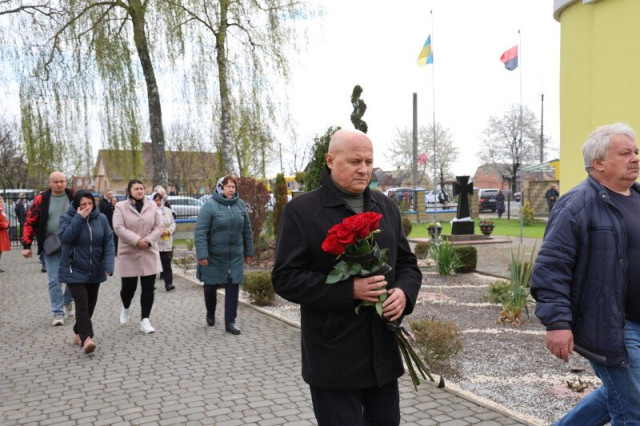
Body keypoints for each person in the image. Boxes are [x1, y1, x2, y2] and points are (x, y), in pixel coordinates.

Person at [272, 129, 422, 425]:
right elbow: (285, 278)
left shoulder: (385, 206)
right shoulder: (302, 212)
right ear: (330, 160)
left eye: (369, 161)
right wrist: (349, 290)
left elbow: (407, 263)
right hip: (333, 358)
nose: (364, 169)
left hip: (382, 355)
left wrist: (404, 293)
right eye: (355, 161)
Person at [531, 123, 640, 425]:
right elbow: (552, 267)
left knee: (619, 393)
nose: (635, 158)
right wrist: (557, 323)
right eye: (625, 153)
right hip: (612, 326)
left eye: (636, 152)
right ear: (598, 162)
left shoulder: (638, 197)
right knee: (633, 411)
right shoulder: (577, 205)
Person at [58, 190, 115, 354]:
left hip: (94, 269)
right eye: (83, 204)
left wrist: (108, 265)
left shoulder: (101, 218)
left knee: (90, 305)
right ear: (76, 205)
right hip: (73, 269)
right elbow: (66, 238)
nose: (87, 207)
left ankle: (78, 332)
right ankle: (87, 339)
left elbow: (108, 242)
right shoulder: (66, 218)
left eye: (90, 203)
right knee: (82, 304)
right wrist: (79, 218)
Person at [194, 175, 253, 334]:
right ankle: (210, 312)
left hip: (235, 255)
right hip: (214, 255)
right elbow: (200, 232)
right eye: (228, 186)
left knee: (233, 287)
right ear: (221, 187)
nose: (231, 189)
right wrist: (202, 255)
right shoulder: (209, 206)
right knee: (210, 286)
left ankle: (230, 322)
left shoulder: (240, 205)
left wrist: (248, 251)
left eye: (233, 187)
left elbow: (247, 230)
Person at [21, 172, 75, 326]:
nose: (59, 184)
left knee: (74, 277)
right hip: (50, 244)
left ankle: (67, 300)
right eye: (55, 181)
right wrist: (26, 245)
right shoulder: (41, 199)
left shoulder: (73, 196)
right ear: (49, 183)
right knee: (54, 279)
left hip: (72, 243)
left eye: (62, 181)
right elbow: (30, 221)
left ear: (66, 182)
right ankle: (58, 312)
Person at [113, 179, 163, 334]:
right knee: (128, 288)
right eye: (136, 189)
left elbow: (159, 226)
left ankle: (145, 320)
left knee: (149, 287)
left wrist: (147, 240)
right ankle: (126, 306)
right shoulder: (120, 206)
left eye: (141, 188)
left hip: (148, 251)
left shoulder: (152, 205)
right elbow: (118, 228)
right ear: (129, 191)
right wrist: (137, 240)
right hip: (129, 252)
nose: (139, 191)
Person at [152, 192, 176, 292]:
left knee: (167, 264)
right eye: (156, 200)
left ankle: (168, 283)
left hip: (166, 241)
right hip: (155, 241)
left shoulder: (168, 210)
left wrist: (168, 231)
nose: (158, 202)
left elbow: (173, 223)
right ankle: (150, 284)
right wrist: (158, 232)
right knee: (153, 264)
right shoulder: (150, 211)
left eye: (160, 200)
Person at [99, 189, 117, 255]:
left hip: (113, 221)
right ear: (106, 194)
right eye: (109, 194)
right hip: (106, 220)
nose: (111, 195)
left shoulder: (114, 200)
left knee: (114, 237)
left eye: (112, 194)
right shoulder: (102, 201)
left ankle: (115, 250)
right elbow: (100, 211)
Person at [0, 196, 10, 272]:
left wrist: (7, 223)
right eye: (0, 202)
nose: (1, 203)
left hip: (2, 233)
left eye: (2, 202)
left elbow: (5, 220)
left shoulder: (2, 211)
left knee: (0, 251)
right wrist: (4, 224)